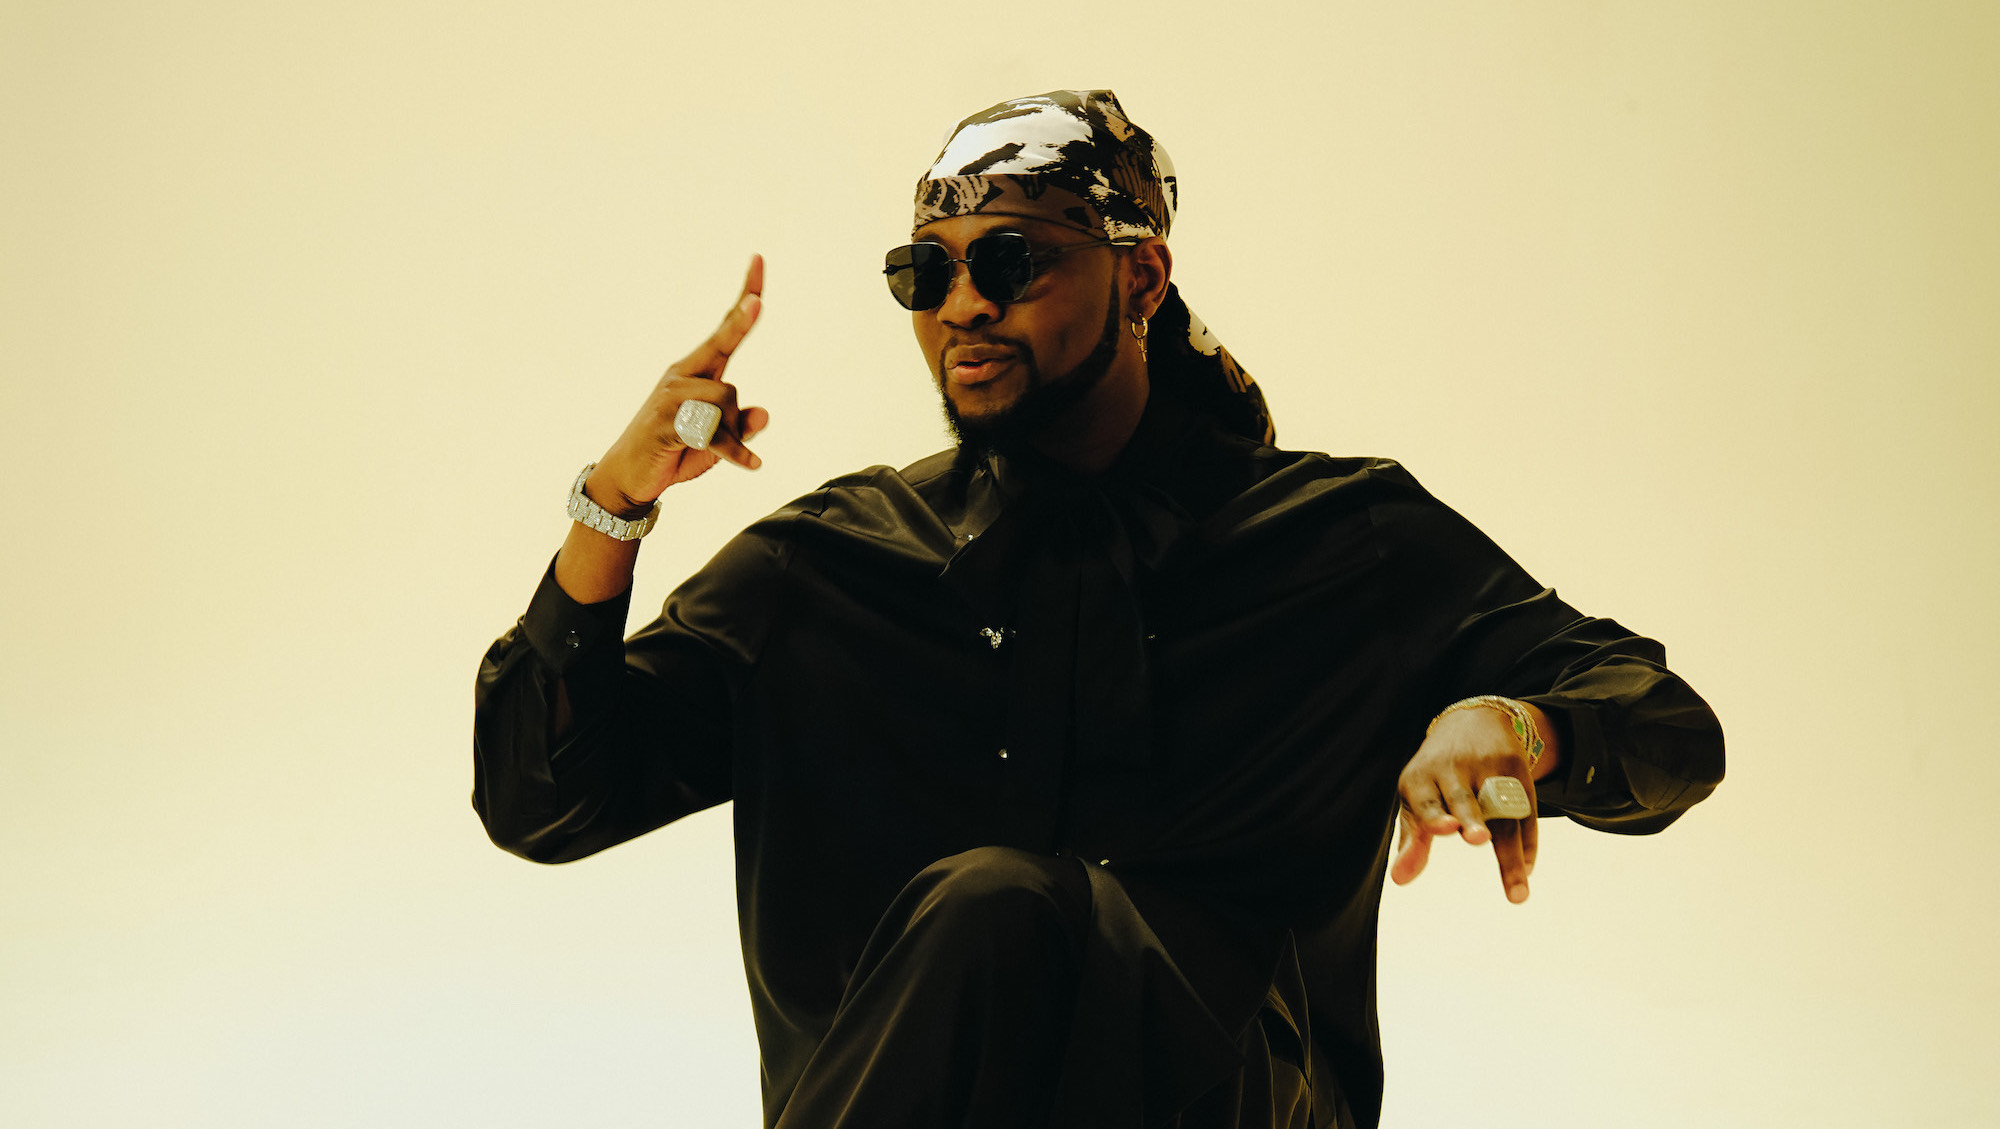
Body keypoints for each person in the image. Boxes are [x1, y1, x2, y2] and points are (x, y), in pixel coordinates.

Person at [473, 89, 1724, 1129]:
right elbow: (541, 799)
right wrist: (613, 506)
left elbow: (1664, 722)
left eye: (1010, 261)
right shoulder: (829, 565)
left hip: (1240, 1100)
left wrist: (1519, 724)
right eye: (926, 272)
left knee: (999, 908)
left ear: (1141, 276)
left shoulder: (1342, 540)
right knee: (989, 913)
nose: (963, 305)